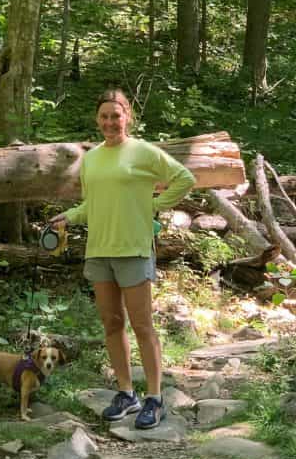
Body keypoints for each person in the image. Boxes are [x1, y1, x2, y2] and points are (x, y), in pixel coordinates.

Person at [50, 89, 195, 429]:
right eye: (104, 117)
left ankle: (154, 398)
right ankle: (127, 393)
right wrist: (67, 218)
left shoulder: (143, 152)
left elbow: (184, 179)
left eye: (116, 116)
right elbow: (92, 205)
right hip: (100, 250)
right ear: (97, 120)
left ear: (127, 116)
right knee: (112, 323)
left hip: (133, 248)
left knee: (142, 325)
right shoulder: (92, 158)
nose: (110, 122)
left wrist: (154, 205)